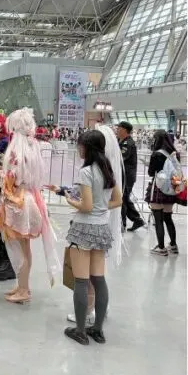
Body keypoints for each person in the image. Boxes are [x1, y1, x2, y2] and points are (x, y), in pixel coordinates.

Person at [62, 127, 121, 344]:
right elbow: (118, 200)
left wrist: (71, 201)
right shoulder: (108, 170)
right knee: (99, 279)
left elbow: (86, 207)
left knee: (81, 280)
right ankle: (97, 329)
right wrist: (101, 208)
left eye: (80, 146)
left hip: (83, 229)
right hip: (102, 228)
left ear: (87, 148)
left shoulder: (86, 172)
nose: (78, 149)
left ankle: (80, 330)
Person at [0, 107, 58, 305]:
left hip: (19, 201)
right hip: (29, 198)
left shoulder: (17, 150)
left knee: (21, 248)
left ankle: (23, 289)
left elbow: (12, 178)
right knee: (25, 247)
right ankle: (23, 286)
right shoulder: (33, 147)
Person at [146, 130, 183, 257]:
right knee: (168, 217)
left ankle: (161, 247)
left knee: (158, 219)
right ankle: (173, 245)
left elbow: (151, 172)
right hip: (172, 188)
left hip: (159, 188)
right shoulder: (175, 154)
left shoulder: (156, 154)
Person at [115, 122, 145, 232]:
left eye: (119, 128)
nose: (117, 130)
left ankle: (122, 224)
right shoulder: (121, 141)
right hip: (123, 175)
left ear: (124, 130)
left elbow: (121, 158)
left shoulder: (128, 143)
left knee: (122, 199)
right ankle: (137, 220)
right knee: (124, 198)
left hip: (127, 176)